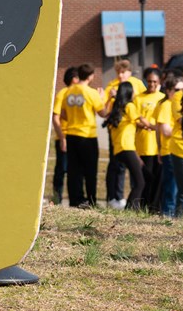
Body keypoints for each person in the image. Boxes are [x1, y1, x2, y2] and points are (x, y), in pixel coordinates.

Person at [53, 67, 104, 207]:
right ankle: (91, 200)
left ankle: (75, 200)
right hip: (87, 135)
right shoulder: (92, 92)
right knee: (89, 169)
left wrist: (73, 118)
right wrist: (102, 99)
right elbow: (103, 113)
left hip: (71, 134)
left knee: (73, 170)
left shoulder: (68, 92)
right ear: (90, 76)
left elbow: (62, 114)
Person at [103, 59, 146, 207]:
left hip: (132, 130)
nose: (121, 75)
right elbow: (104, 110)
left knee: (134, 169)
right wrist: (110, 97)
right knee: (117, 165)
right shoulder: (111, 86)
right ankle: (116, 197)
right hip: (118, 128)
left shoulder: (137, 83)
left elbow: (143, 99)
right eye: (118, 72)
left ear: (129, 72)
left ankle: (130, 202)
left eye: (123, 72)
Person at [134, 67, 166, 211]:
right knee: (144, 178)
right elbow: (133, 118)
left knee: (157, 178)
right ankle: (142, 205)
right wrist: (143, 124)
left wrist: (150, 126)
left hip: (157, 145)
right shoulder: (138, 98)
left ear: (159, 82)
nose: (151, 84)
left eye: (154, 81)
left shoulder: (162, 98)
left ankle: (154, 207)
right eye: (149, 82)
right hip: (142, 144)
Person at [161, 72, 183, 217]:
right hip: (175, 148)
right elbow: (164, 129)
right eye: (177, 90)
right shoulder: (169, 104)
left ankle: (174, 215)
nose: (180, 93)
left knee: (179, 188)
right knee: (175, 189)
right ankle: (171, 215)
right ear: (169, 91)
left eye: (182, 89)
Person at [50, 66, 77, 204]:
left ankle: (75, 199)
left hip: (77, 138)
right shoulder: (63, 93)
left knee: (75, 170)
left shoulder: (80, 93)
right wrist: (62, 138)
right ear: (74, 79)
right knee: (61, 169)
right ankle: (56, 198)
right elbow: (55, 117)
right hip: (65, 137)